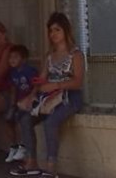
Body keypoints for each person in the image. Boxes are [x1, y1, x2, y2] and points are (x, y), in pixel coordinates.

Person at [10, 13, 85, 178]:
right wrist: (31, 96)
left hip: (70, 97)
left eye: (57, 30)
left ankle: (51, 167)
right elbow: (41, 79)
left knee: (50, 122)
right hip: (49, 98)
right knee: (25, 118)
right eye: (51, 30)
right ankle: (31, 162)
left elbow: (78, 82)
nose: (53, 34)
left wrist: (56, 85)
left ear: (65, 31)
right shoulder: (49, 56)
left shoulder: (76, 54)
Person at [3, 45, 37, 164]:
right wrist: (12, 105)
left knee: (20, 119)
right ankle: (14, 146)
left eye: (15, 57)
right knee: (8, 119)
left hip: (29, 103)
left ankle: (23, 146)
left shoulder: (30, 71)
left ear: (24, 59)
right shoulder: (12, 73)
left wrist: (30, 98)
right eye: (10, 57)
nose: (12, 60)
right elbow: (13, 89)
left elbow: (36, 86)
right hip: (18, 102)